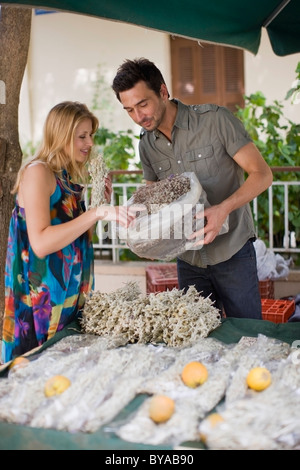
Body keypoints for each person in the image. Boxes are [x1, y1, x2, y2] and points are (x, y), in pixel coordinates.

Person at [112, 58, 273, 320]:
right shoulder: (146, 146)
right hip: (189, 261)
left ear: (163, 92)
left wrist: (224, 209)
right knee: (197, 346)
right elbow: (155, 202)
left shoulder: (216, 120)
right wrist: (148, 238)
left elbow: (263, 175)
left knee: (248, 338)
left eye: (143, 104)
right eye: (129, 109)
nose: (138, 117)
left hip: (232, 253)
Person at [2, 101, 140, 363]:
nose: (89, 143)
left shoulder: (66, 177)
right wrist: (96, 213)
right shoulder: (38, 172)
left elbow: (71, 236)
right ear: (61, 135)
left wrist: (98, 205)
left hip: (68, 297)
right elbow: (41, 243)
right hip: (40, 303)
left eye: (90, 135)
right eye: (82, 136)